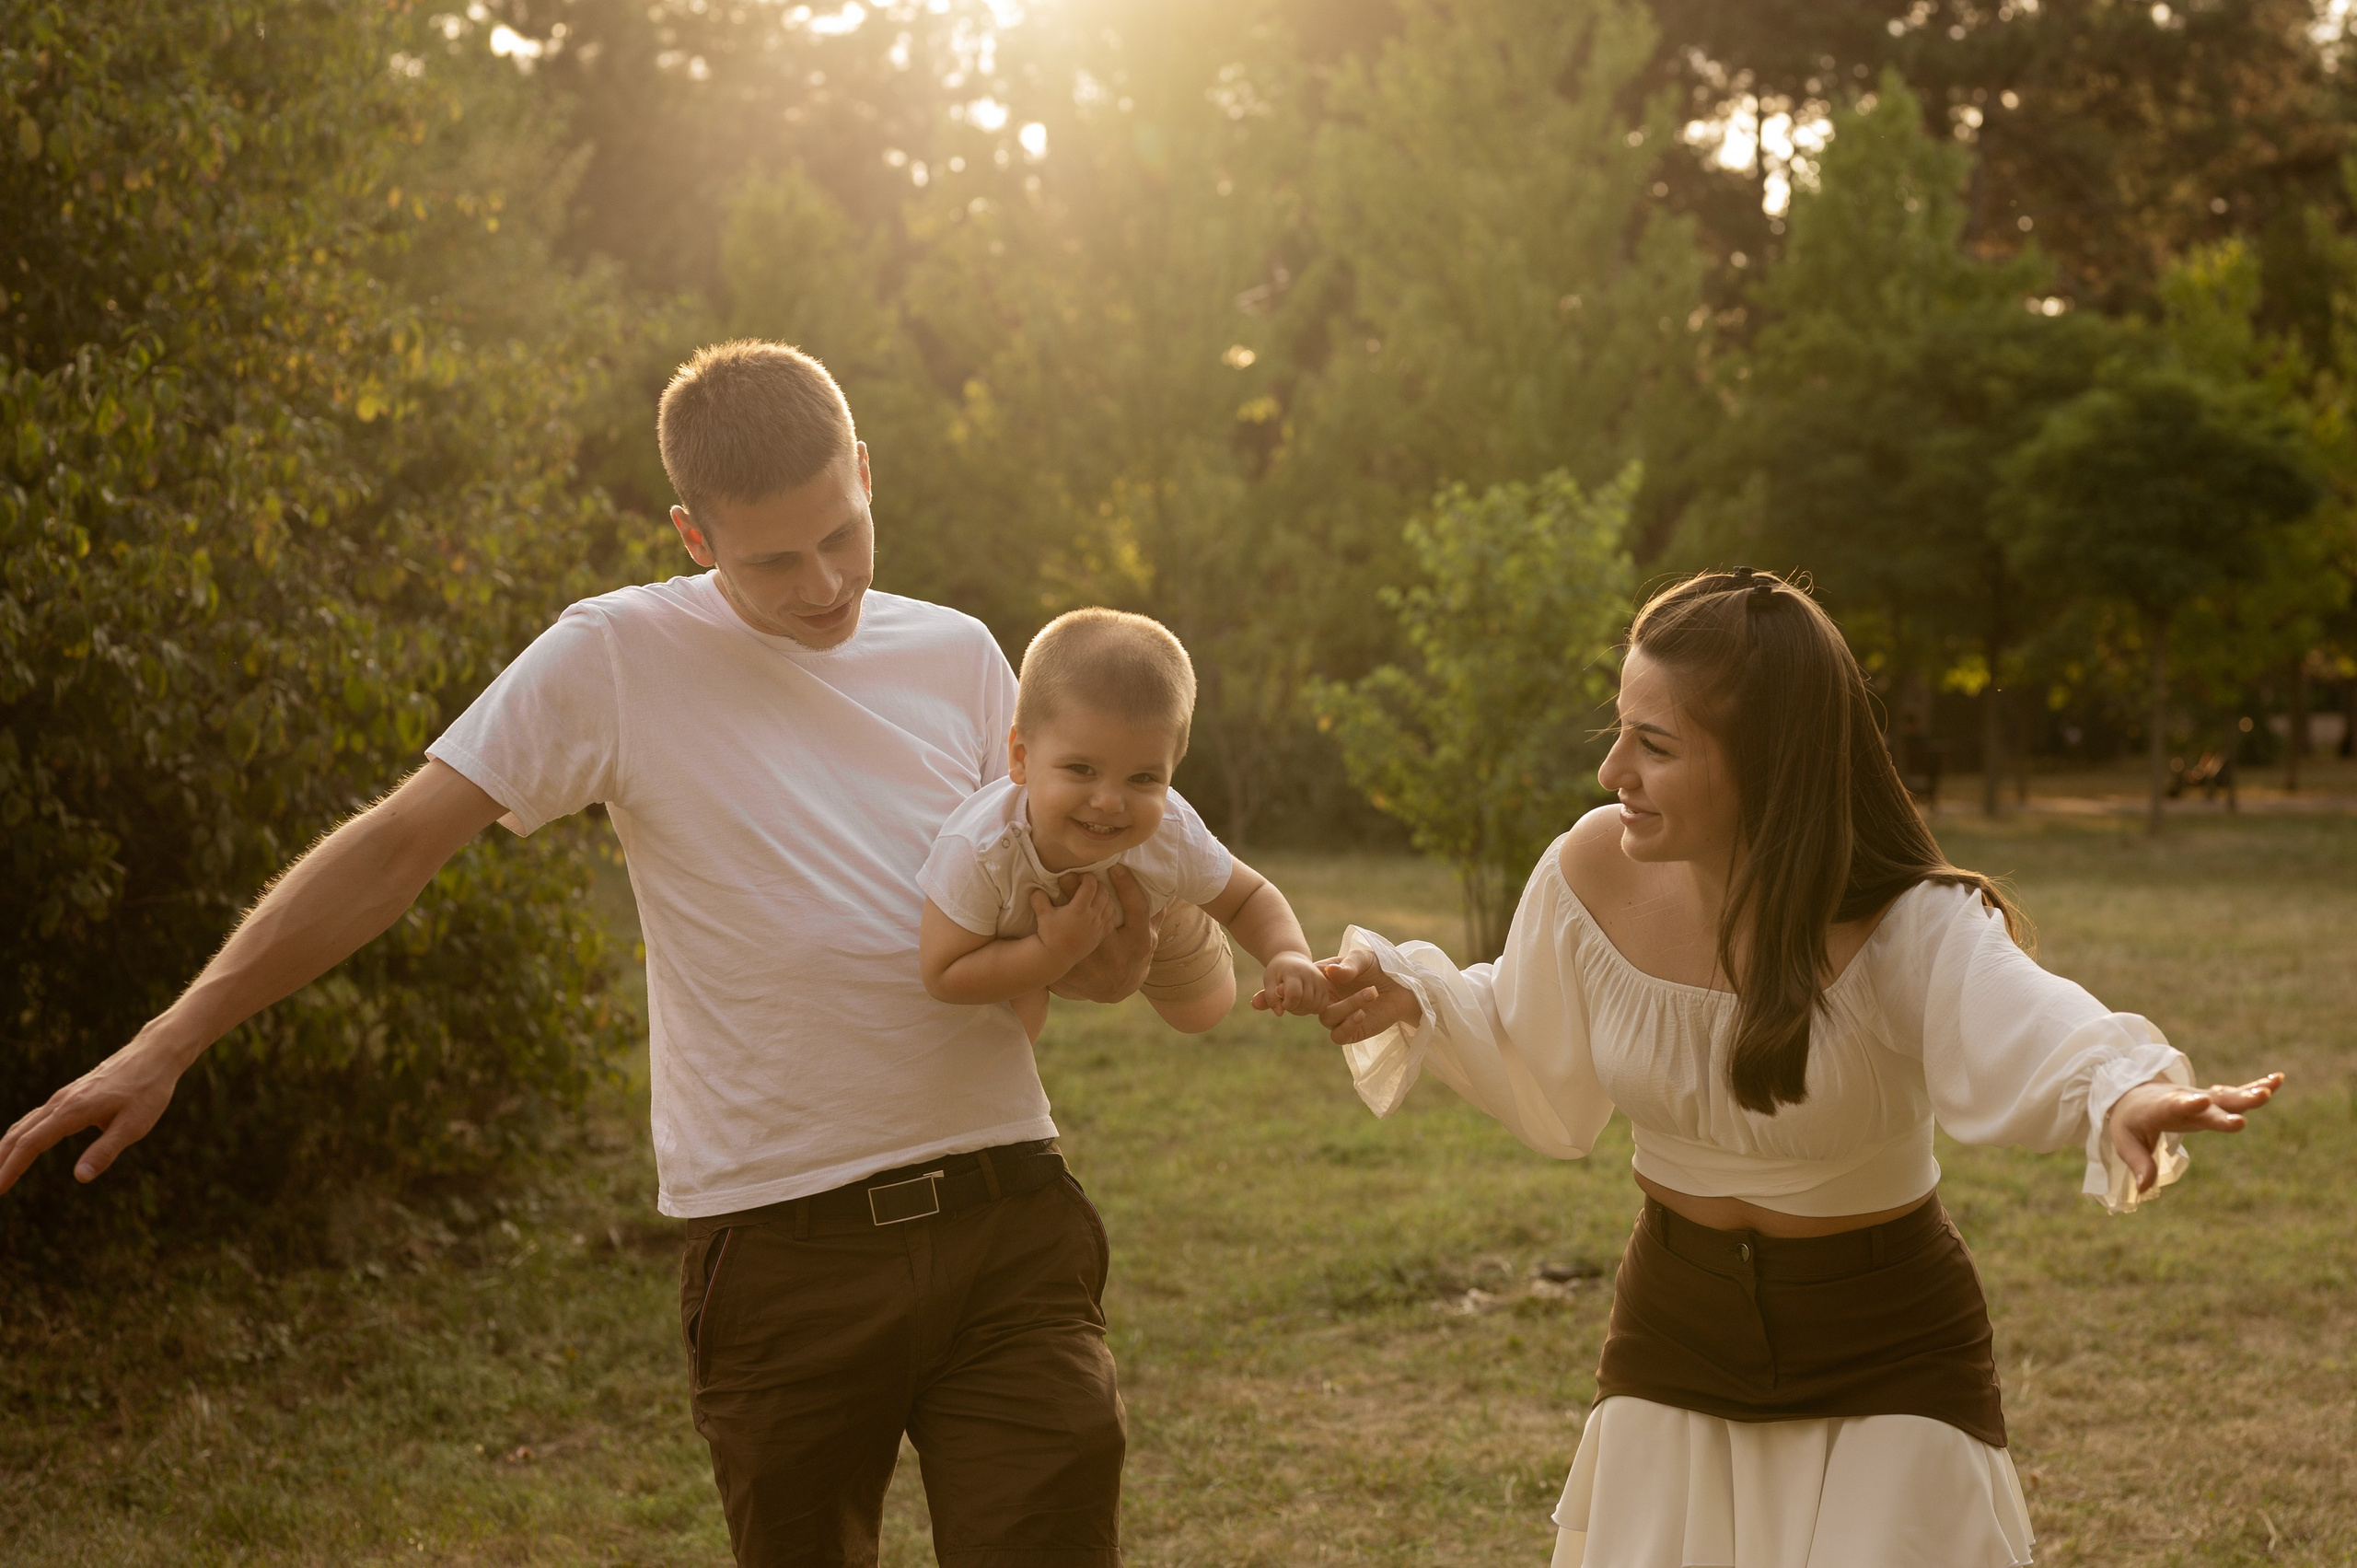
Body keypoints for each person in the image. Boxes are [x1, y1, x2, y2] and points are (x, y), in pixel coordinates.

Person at [0, 340, 1162, 1568]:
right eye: (776, 557)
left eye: (844, 532)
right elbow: (396, 845)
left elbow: (1047, 955)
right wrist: (168, 1039)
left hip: (1006, 1215)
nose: (826, 582)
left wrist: (1105, 952)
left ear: (865, 470)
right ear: (693, 534)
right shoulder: (616, 655)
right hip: (786, 1251)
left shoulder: (965, 657)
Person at [1300, 569, 2282, 1567]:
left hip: (1886, 1351)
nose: (1610, 771)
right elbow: (1527, 1025)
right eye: (1618, 728)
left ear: (1767, 762)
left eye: (1655, 743)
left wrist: (2126, 1087)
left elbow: (2028, 1015)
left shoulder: (1906, 918)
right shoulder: (1590, 866)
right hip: (1673, 1334)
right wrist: (1419, 996)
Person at [919, 607, 1329, 1040]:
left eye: (1143, 778)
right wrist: (1049, 953)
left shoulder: (1168, 830)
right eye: (1081, 769)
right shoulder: (979, 848)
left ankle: (1170, 901)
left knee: (1204, 1011)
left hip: (1141, 884)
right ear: (1021, 758)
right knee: (1013, 1031)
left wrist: (1289, 954)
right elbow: (943, 972)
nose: (1110, 802)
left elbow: (1249, 898)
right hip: (1017, 937)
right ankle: (1039, 966)